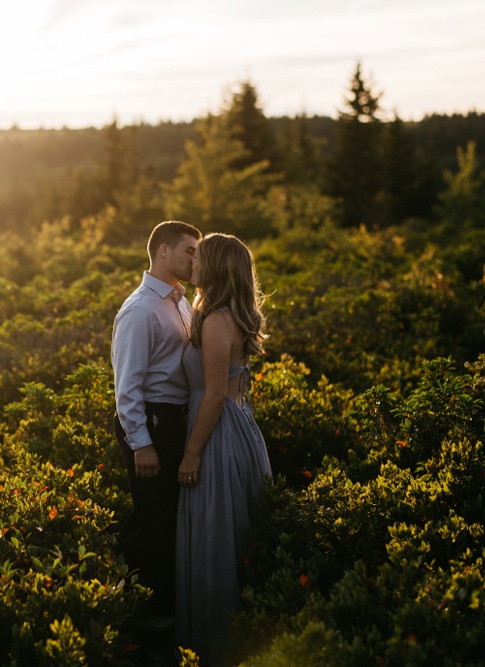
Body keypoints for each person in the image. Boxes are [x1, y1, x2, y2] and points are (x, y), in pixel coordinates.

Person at [175, 233, 272, 665]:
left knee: (215, 537)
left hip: (214, 434)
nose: (192, 263)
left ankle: (217, 651)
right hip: (238, 424)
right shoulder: (230, 315)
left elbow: (214, 395)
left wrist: (192, 452)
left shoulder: (215, 320)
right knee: (231, 535)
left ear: (214, 267)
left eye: (199, 258)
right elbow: (238, 387)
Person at [111, 220, 201, 622]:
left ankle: (166, 603)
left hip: (174, 420)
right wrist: (141, 443)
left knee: (169, 516)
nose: (194, 259)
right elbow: (126, 386)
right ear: (163, 251)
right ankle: (138, 613)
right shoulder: (139, 309)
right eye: (189, 251)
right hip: (151, 422)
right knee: (152, 518)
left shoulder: (181, 301)